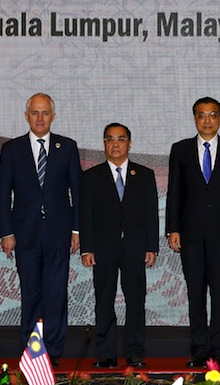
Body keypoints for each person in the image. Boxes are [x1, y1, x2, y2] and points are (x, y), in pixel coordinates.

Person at [0, 93, 82, 367]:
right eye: (35, 112)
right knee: (30, 293)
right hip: (25, 234)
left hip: (59, 233)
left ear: (53, 117)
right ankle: (32, 352)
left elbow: (77, 192)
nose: (40, 118)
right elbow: (3, 194)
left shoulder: (67, 147)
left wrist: (77, 230)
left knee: (56, 293)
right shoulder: (11, 149)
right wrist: (6, 232)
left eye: (45, 113)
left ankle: (54, 351)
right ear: (26, 116)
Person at [165, 96, 220, 368]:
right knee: (196, 293)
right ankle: (200, 349)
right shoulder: (181, 149)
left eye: (213, 115)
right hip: (190, 234)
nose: (208, 120)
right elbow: (175, 190)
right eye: (202, 115)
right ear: (195, 119)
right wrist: (173, 228)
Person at [79, 123, 159, 369]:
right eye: (110, 139)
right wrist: (87, 247)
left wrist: (151, 247)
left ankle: (135, 352)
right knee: (104, 301)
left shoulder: (144, 175)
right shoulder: (91, 176)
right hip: (103, 248)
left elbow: (151, 214)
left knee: (136, 300)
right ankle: (106, 354)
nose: (115, 144)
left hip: (136, 247)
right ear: (104, 143)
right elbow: (86, 215)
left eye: (121, 139)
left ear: (129, 144)